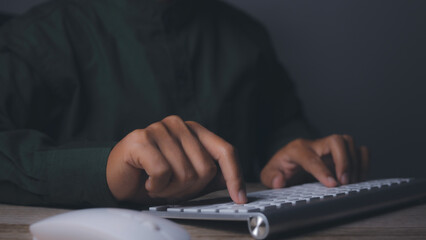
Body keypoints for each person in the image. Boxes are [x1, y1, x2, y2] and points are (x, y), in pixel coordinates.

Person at [0, 0, 368, 208]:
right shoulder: (38, 37)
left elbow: (281, 124)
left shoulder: (247, 36)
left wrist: (296, 158)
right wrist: (104, 171)